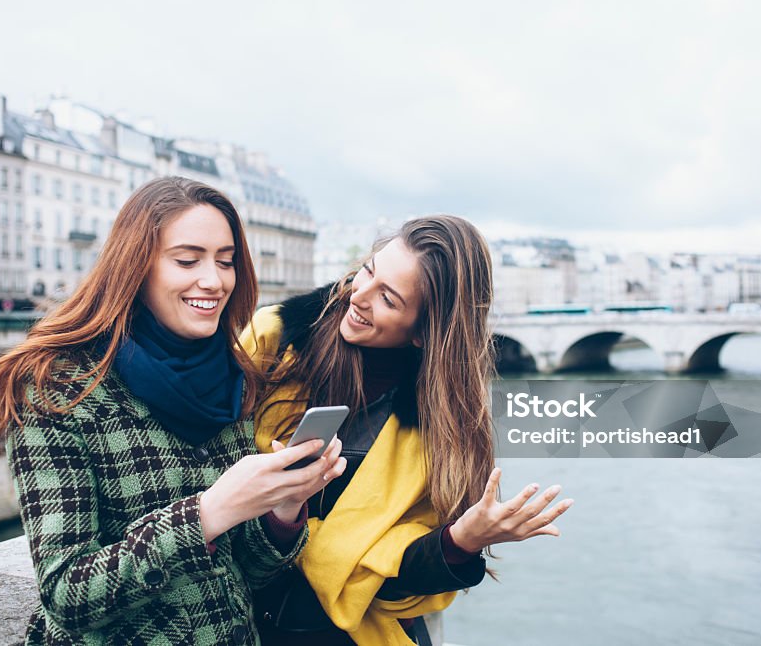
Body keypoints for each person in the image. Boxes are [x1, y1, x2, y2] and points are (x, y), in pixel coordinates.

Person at [0, 177, 346, 645]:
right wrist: (209, 512)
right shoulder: (56, 385)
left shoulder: (234, 376)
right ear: (136, 265)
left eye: (226, 262)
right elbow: (68, 595)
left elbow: (243, 572)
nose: (214, 280)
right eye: (187, 260)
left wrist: (285, 506)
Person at [243, 215, 574, 645]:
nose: (356, 296)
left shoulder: (442, 431)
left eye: (388, 299)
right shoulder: (276, 341)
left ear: (423, 333)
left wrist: (459, 542)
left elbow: (392, 585)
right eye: (367, 271)